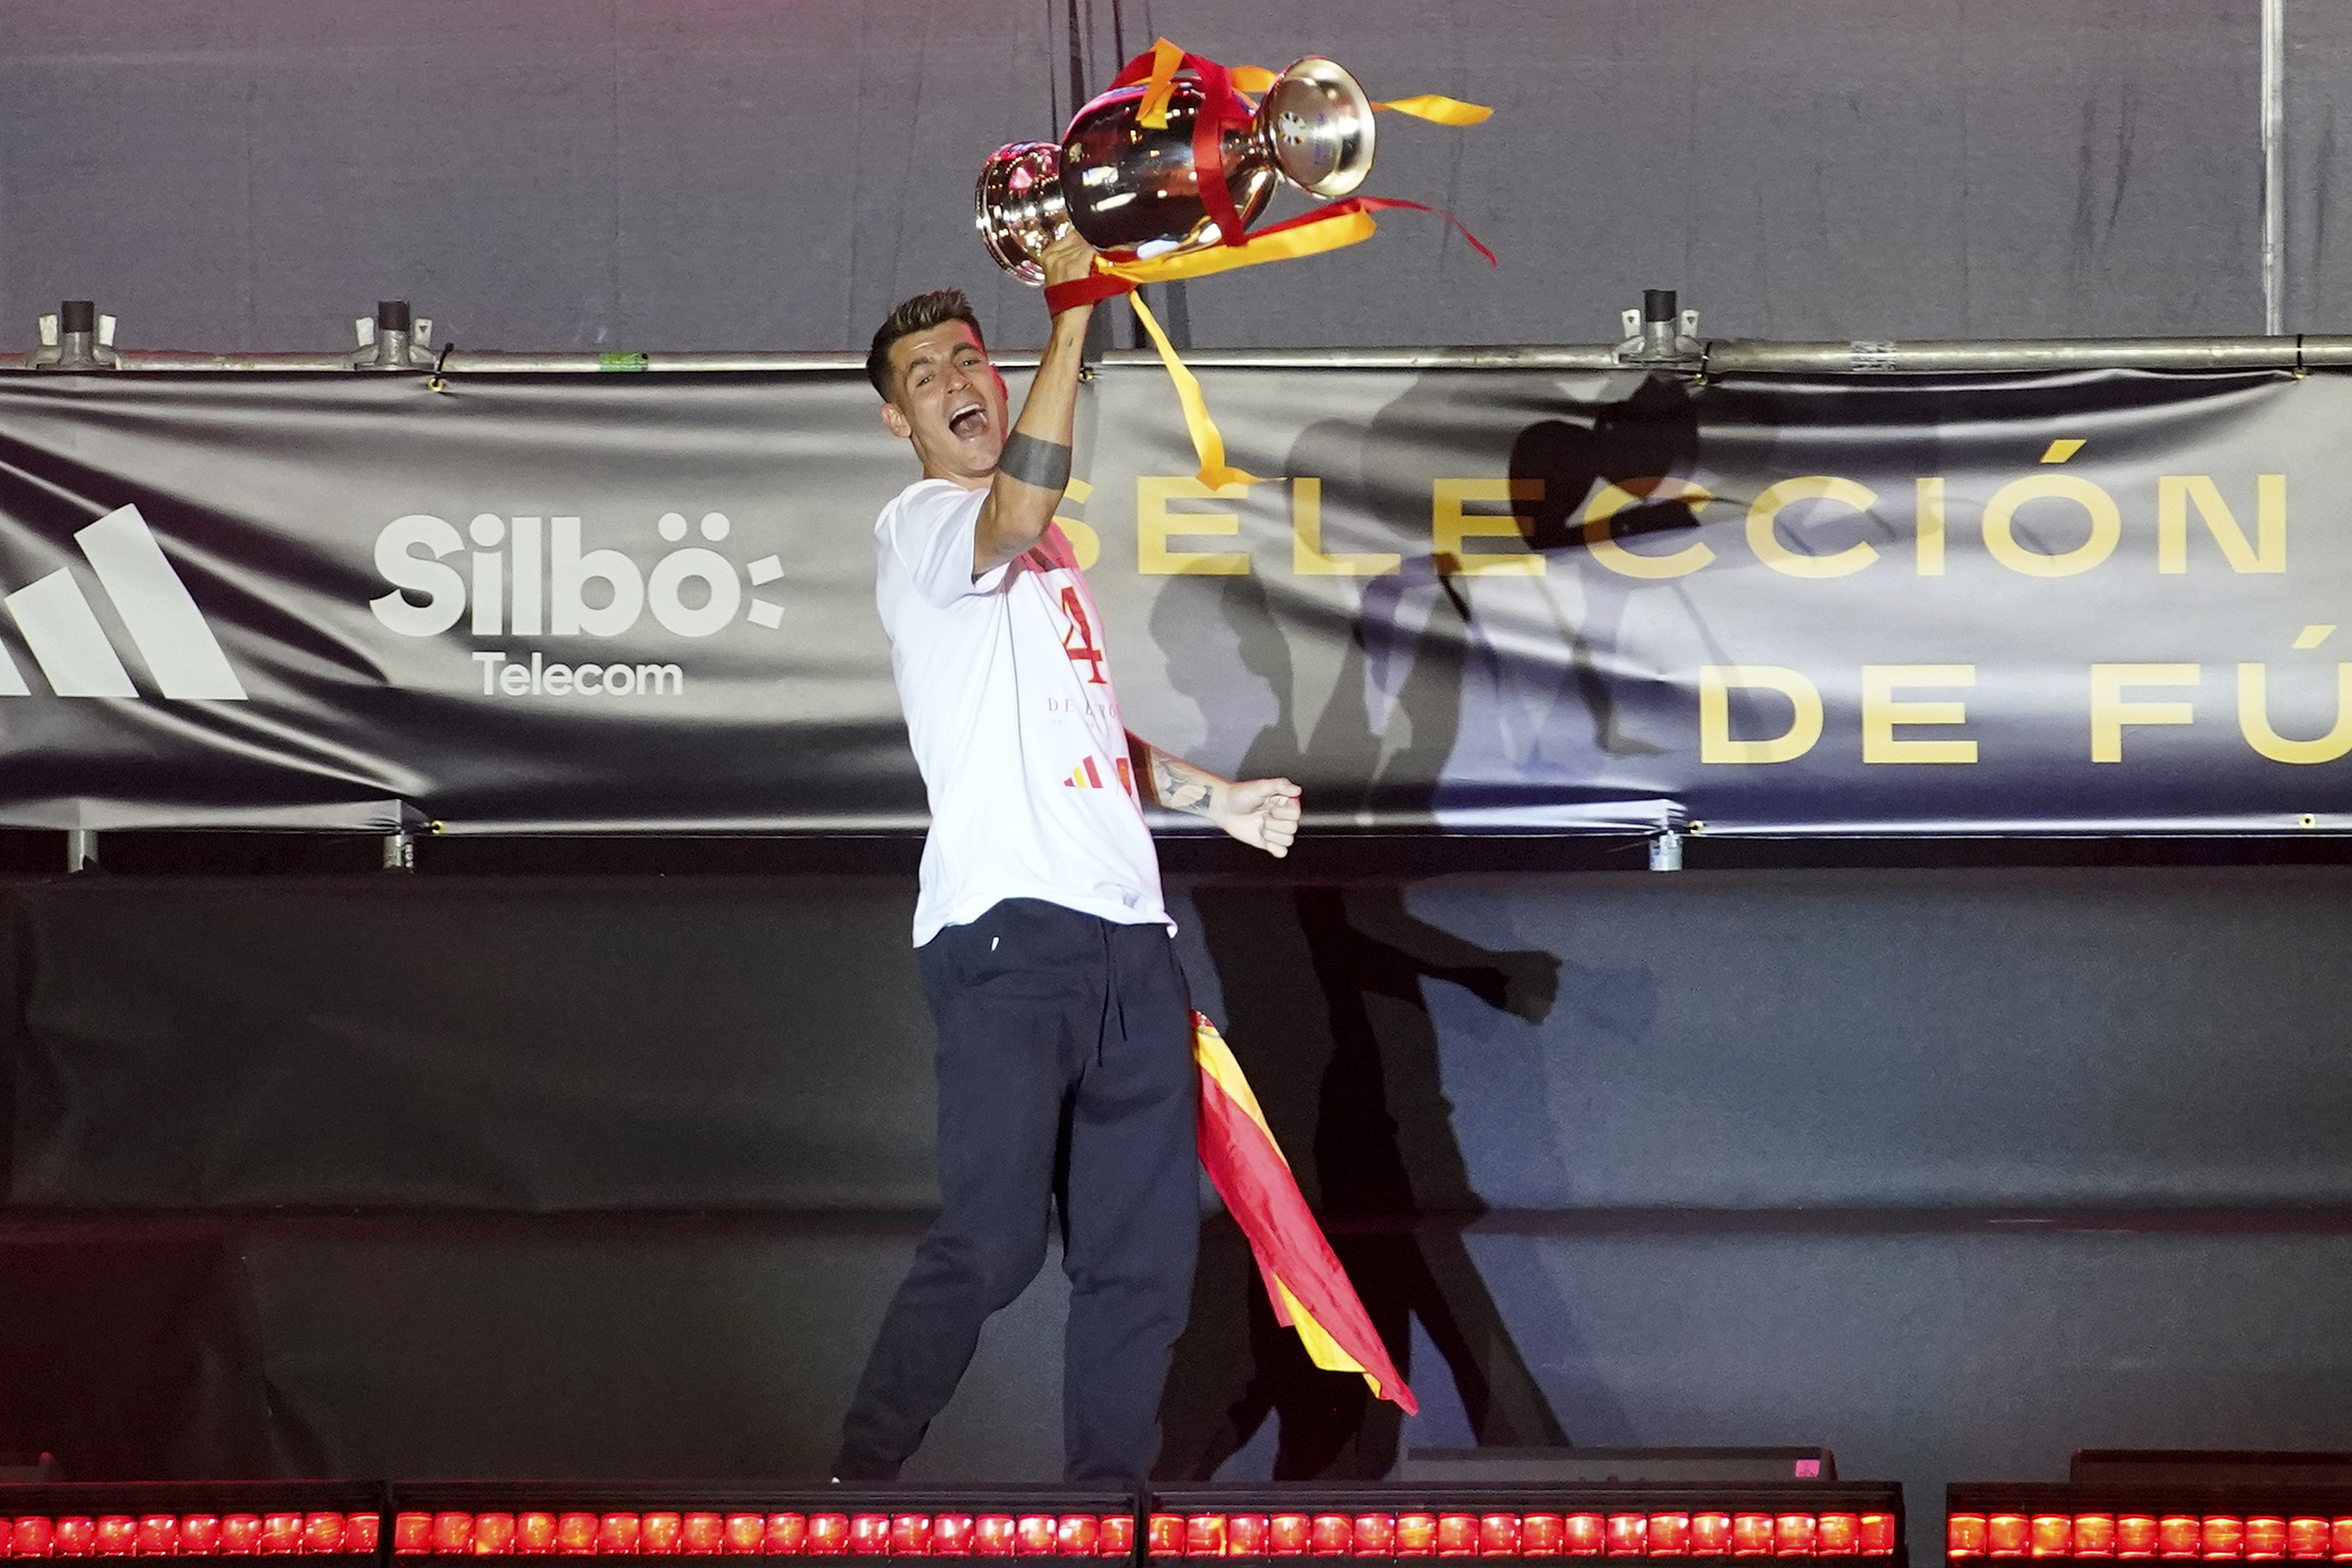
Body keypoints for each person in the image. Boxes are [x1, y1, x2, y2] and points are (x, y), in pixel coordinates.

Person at [833, 231, 1304, 1486]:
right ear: (901, 421)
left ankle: (1108, 1511)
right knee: (992, 1246)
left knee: (1140, 1256)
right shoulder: (928, 525)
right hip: (1008, 935)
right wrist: (1076, 314)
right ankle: (848, 1482)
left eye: (968, 354)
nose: (957, 376)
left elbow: (1098, 733)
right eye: (929, 373)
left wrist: (1220, 797)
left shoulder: (1049, 565)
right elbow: (1021, 496)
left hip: (1128, 944)